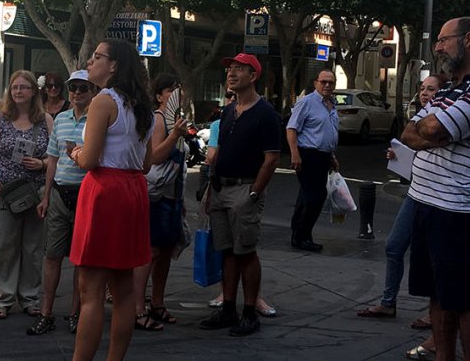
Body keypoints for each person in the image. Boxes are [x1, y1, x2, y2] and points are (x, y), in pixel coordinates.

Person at [401, 17, 470, 361]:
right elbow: (409, 132)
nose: (437, 47)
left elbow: (430, 129)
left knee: (466, 299)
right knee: (437, 294)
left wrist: (434, 132)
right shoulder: (451, 88)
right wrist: (436, 132)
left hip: (457, 210)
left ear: (468, 39)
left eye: (443, 40)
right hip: (427, 203)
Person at [67, 39, 154, 361]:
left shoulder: (103, 101)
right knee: (124, 290)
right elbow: (146, 164)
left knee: (90, 291)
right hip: (133, 192)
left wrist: (76, 153)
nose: (90, 62)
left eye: (97, 56)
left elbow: (90, 160)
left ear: (114, 65)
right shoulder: (143, 107)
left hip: (105, 192)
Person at [198, 52, 281, 338]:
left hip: (245, 189)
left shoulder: (266, 113)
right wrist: (211, 186)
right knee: (226, 251)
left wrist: (254, 192)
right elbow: (219, 151)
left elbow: (271, 158)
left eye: (238, 69)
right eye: (229, 69)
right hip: (221, 188)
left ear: (253, 76)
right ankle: (228, 308)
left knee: (245, 251)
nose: (231, 74)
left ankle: (249, 312)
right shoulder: (229, 110)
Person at [357, 73, 447, 321]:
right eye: (423, 88)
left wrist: (421, 143)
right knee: (394, 247)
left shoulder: (444, 119)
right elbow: (412, 146)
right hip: (416, 193)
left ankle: (436, 312)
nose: (425, 93)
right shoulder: (418, 117)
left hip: (438, 197)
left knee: (433, 256)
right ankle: (388, 302)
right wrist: (401, 156)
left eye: (431, 89)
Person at [27, 69, 94, 336]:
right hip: (58, 192)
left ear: (92, 91)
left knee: (81, 259)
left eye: (82, 88)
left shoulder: (97, 119)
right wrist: (45, 196)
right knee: (52, 255)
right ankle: (46, 313)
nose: (76, 93)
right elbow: (52, 160)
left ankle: (75, 313)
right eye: (73, 88)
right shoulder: (61, 119)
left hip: (85, 193)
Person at [0, 70, 52, 320]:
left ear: (33, 91)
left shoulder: (45, 120)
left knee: (33, 248)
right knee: (5, 246)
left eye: (23, 87)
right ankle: (4, 298)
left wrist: (42, 164)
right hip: (6, 192)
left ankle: (30, 298)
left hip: (35, 192)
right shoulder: (1, 120)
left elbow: (54, 157)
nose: (18, 92)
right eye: (14, 88)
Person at [132, 73, 188, 332]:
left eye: (177, 88)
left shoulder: (176, 118)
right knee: (151, 251)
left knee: (165, 251)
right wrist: (174, 135)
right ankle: (138, 307)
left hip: (172, 194)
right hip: (157, 194)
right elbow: (154, 156)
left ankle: (157, 302)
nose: (175, 93)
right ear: (159, 95)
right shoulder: (158, 119)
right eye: (169, 90)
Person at [287, 69, 340, 252]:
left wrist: (331, 156)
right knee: (315, 196)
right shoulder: (307, 102)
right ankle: (303, 236)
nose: (327, 85)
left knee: (306, 196)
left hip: (323, 156)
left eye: (331, 82)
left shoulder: (331, 104)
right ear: (316, 83)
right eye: (323, 82)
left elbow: (327, 132)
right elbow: (291, 128)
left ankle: (298, 234)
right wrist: (294, 153)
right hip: (308, 154)